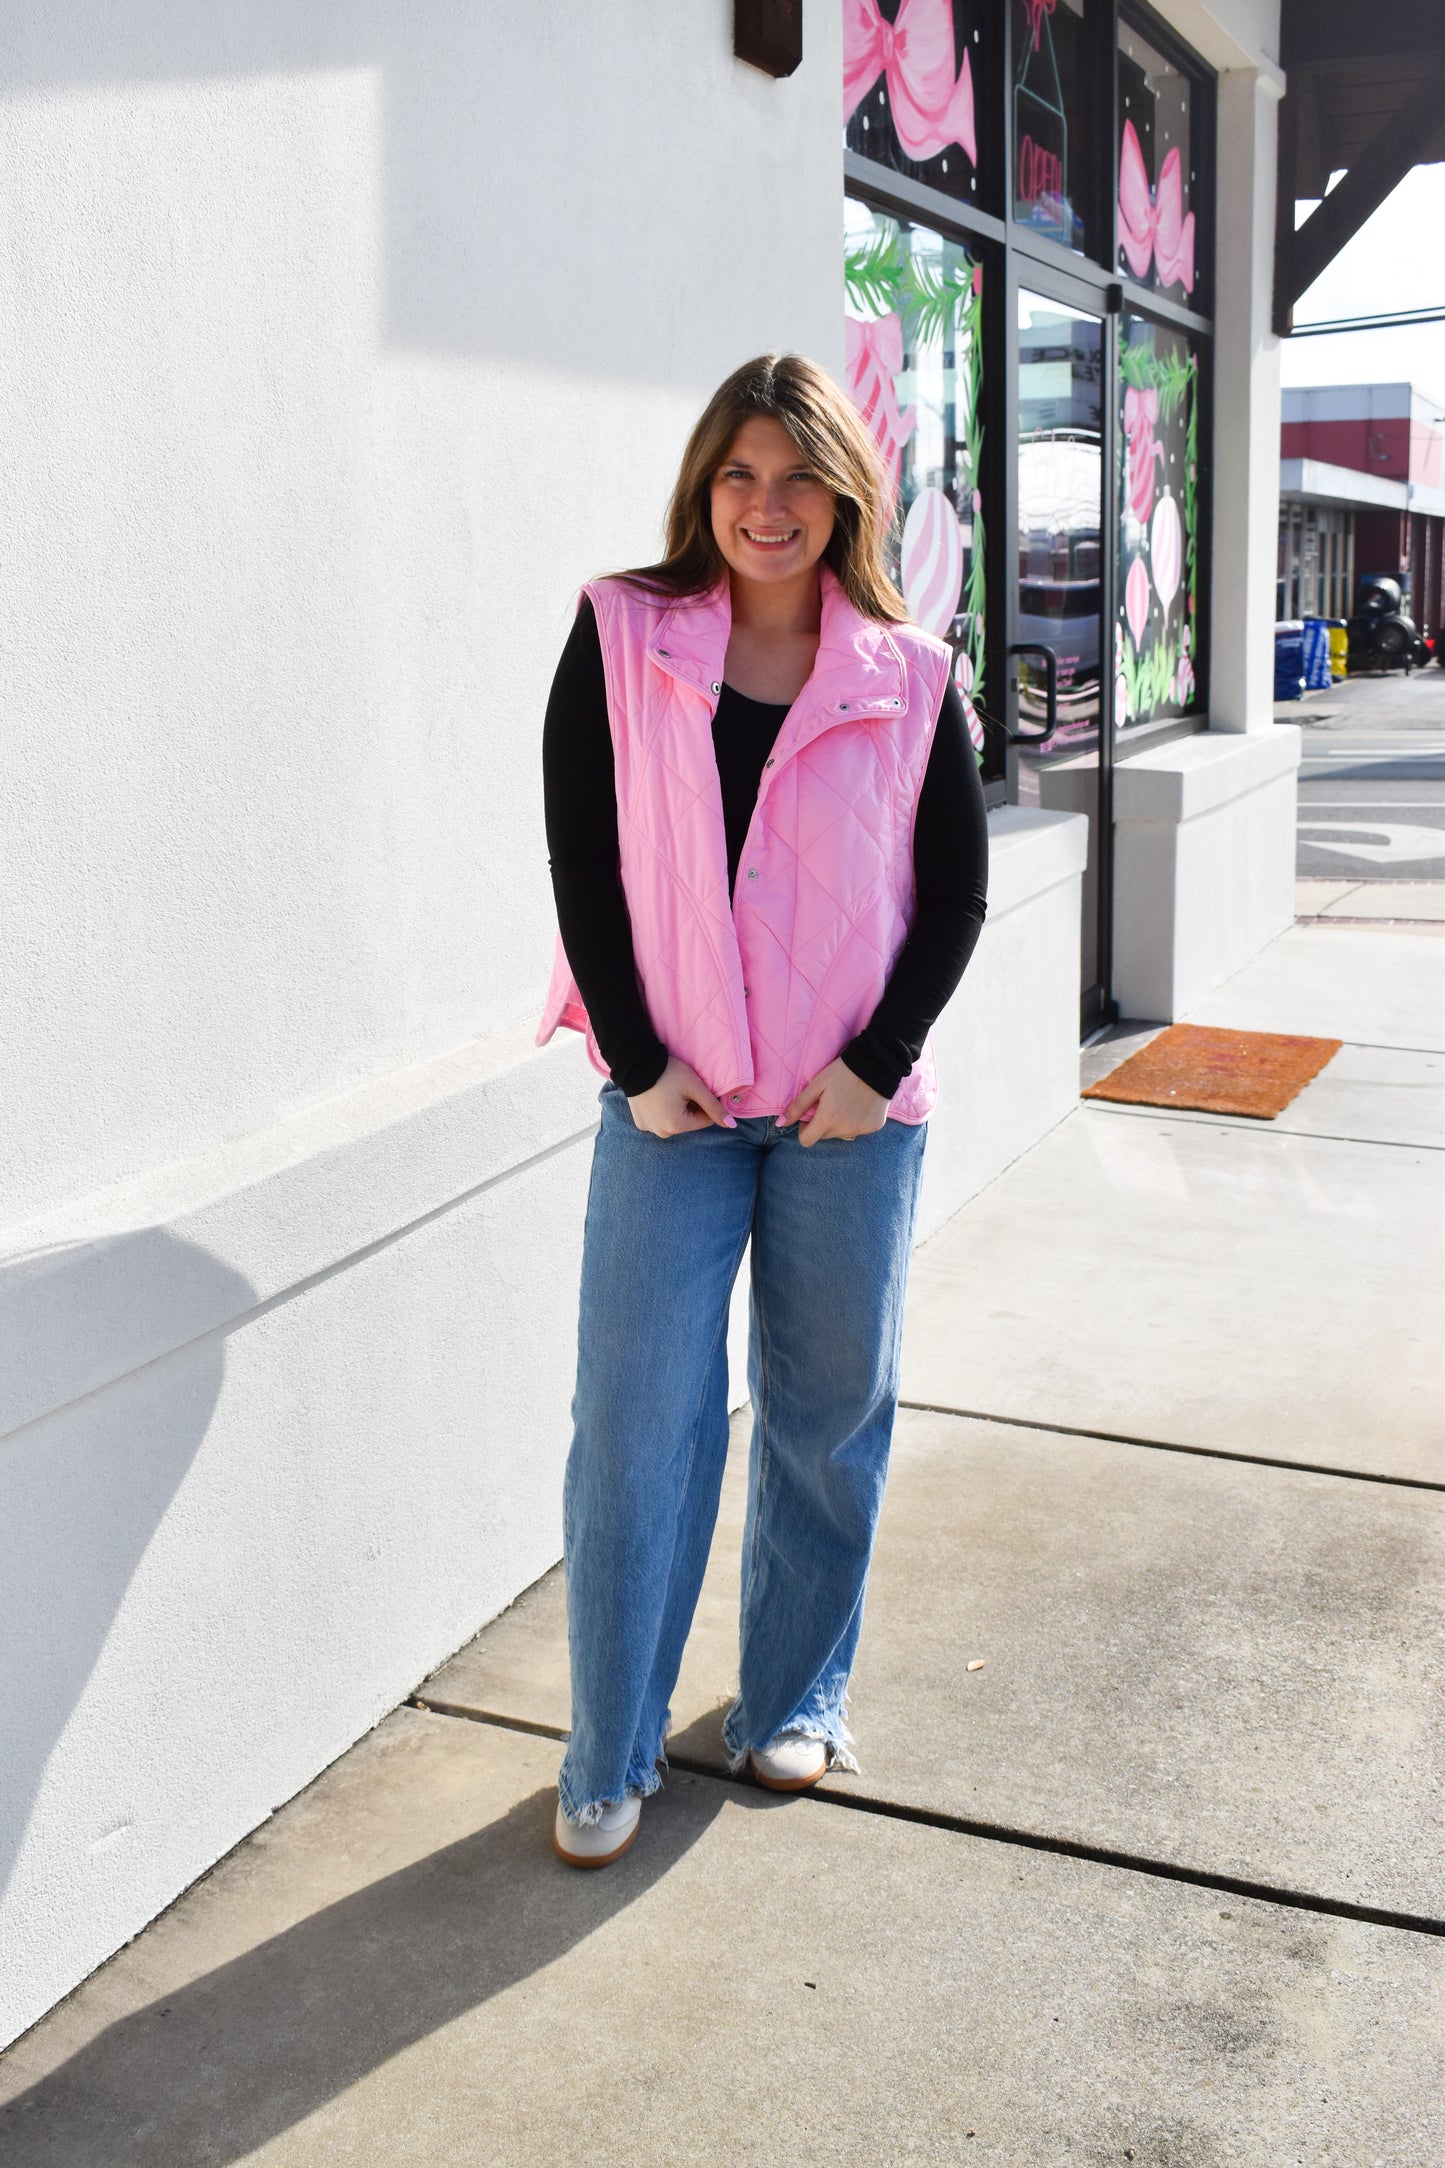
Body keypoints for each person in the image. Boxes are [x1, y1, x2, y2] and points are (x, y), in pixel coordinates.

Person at [537, 352, 988, 1867]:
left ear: (843, 495)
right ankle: (607, 1750)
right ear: (703, 488)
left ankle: (792, 1700)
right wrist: (630, 1060)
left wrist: (877, 1063)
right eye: (738, 473)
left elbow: (954, 892)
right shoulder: (621, 631)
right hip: (670, 1103)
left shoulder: (910, 674)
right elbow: (583, 857)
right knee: (636, 1427)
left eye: (797, 476)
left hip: (844, 1113)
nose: (766, 504)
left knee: (826, 1417)